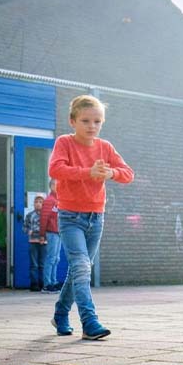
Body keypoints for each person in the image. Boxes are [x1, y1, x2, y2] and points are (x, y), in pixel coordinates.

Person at [49, 95, 134, 339]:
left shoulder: (105, 147)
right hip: (69, 216)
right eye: (85, 120)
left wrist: (111, 172)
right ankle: (89, 322)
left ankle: (60, 314)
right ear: (72, 121)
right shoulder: (64, 142)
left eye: (97, 121)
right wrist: (88, 172)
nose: (91, 126)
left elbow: (128, 174)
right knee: (81, 267)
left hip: (96, 217)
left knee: (79, 269)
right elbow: (55, 169)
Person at [40, 179, 62, 293]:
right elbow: (44, 218)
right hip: (52, 232)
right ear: (52, 186)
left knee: (56, 259)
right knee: (51, 258)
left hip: (58, 233)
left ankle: (54, 281)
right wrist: (42, 234)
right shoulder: (49, 200)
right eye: (56, 184)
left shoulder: (58, 200)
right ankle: (47, 284)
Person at [24, 195, 46, 292]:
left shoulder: (46, 215)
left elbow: (49, 228)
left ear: (43, 204)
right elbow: (24, 228)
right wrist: (28, 231)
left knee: (43, 264)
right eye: (36, 202)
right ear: (33, 204)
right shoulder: (29, 215)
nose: (38, 204)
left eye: (40, 202)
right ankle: (34, 284)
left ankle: (42, 283)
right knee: (34, 264)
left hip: (44, 242)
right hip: (33, 241)